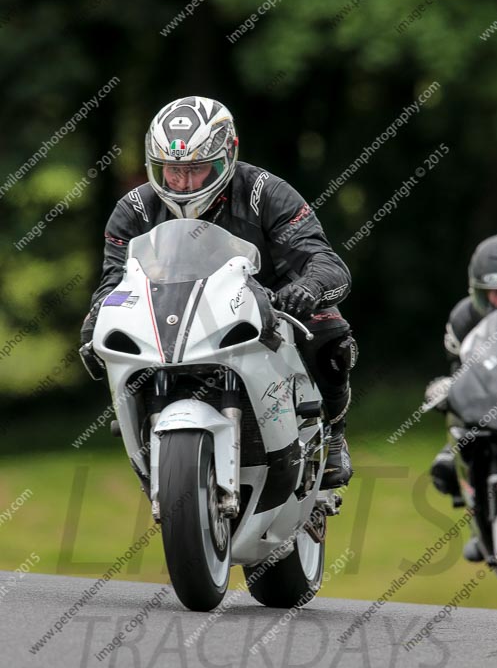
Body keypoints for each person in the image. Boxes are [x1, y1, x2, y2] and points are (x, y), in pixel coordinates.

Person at [80, 96, 357, 489]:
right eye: (172, 171)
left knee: (330, 331)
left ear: (227, 156)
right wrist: (95, 318)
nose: (184, 183)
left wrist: (308, 288)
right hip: (167, 321)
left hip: (267, 308)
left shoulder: (265, 191)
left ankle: (334, 432)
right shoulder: (134, 210)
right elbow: (113, 283)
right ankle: (149, 449)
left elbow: (327, 263)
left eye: (196, 169)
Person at [428, 233, 497, 558]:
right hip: (487, 406)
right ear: (477, 291)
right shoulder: (463, 319)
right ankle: (479, 510)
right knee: (445, 467)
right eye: (492, 295)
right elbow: (461, 373)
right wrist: (444, 390)